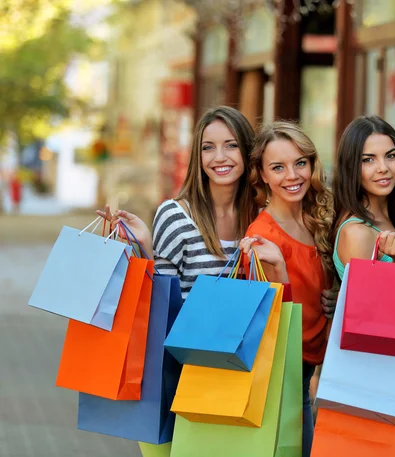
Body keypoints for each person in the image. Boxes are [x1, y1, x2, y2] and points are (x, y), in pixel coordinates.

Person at [238, 121, 337, 457]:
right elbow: (270, 325)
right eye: (278, 167)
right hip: (284, 377)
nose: (292, 176)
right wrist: (280, 269)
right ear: (262, 175)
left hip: (312, 369)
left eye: (300, 163)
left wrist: (334, 297)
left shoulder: (316, 219)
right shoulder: (262, 236)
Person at [97, 105, 257, 297]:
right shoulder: (176, 216)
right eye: (208, 148)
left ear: (248, 151)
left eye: (232, 145)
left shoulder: (260, 218)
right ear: (198, 156)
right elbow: (161, 301)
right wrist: (145, 244)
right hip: (185, 327)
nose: (220, 157)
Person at [332, 115, 395, 283]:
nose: (383, 168)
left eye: (391, 156)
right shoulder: (357, 233)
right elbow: (365, 306)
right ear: (351, 167)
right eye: (368, 160)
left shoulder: (384, 217)